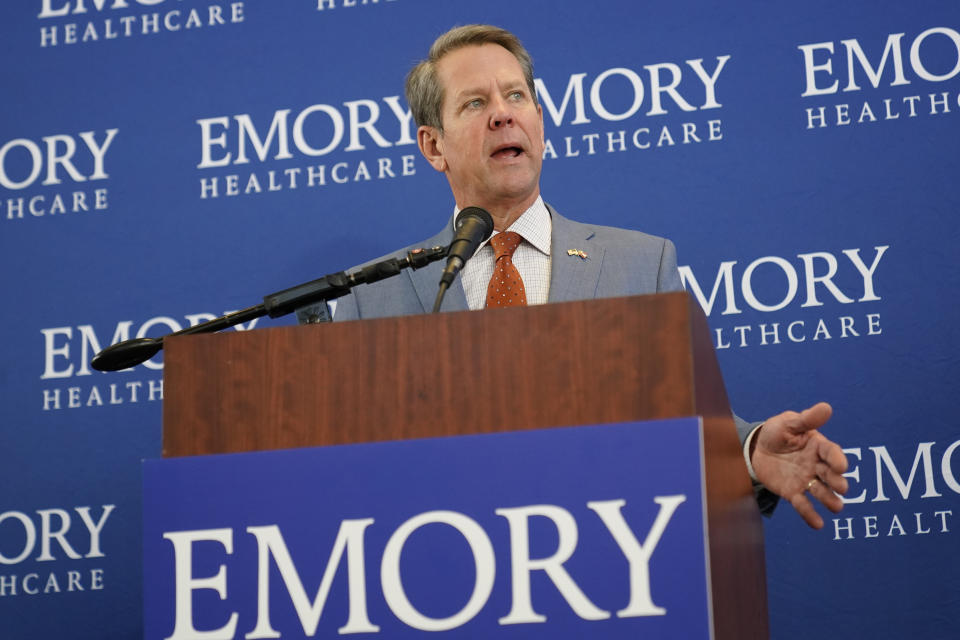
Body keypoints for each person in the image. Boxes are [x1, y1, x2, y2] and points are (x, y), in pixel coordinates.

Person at [299, 24, 848, 529]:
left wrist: (751, 451)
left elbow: (690, 421)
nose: (502, 114)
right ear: (433, 146)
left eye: (516, 96)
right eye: (474, 103)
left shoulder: (640, 262)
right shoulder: (374, 293)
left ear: (539, 120)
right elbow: (354, 471)